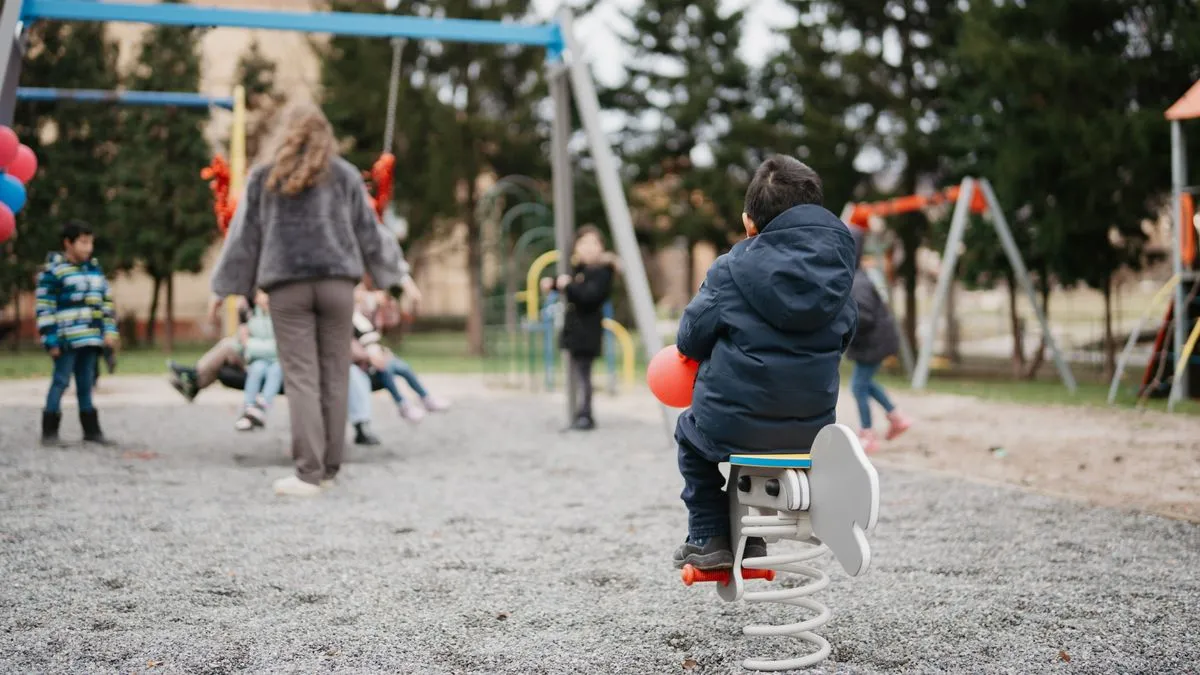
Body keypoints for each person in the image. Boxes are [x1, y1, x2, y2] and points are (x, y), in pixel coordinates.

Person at [208, 100, 405, 498]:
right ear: (325, 135)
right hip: (337, 286)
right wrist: (397, 277)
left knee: (300, 378)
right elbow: (371, 231)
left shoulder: (266, 177)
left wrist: (223, 288)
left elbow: (244, 238)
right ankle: (330, 468)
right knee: (335, 374)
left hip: (288, 288)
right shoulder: (345, 175)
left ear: (286, 133)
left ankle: (307, 473)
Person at [671, 156, 857, 571]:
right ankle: (751, 538)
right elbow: (845, 336)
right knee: (745, 438)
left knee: (691, 434)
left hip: (732, 424)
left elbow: (691, 336)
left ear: (749, 223)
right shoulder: (840, 275)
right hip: (812, 430)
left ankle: (707, 534)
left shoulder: (731, 269)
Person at [37, 220, 120, 447]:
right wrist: (50, 339)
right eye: (83, 243)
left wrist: (109, 332)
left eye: (90, 242)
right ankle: (50, 430)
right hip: (66, 340)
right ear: (68, 243)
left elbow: (106, 304)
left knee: (86, 383)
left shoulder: (95, 271)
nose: (88, 248)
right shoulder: (54, 272)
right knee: (61, 381)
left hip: (91, 338)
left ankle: (91, 430)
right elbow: (45, 307)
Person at [846, 227, 911, 453]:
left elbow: (863, 316)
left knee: (857, 386)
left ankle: (867, 434)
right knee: (866, 383)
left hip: (874, 342)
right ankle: (897, 418)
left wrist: (843, 328)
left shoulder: (857, 282)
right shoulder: (856, 277)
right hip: (876, 341)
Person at [547, 225, 617, 431]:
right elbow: (572, 287)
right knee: (578, 372)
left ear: (601, 248)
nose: (588, 248)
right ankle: (580, 411)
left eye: (594, 243)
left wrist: (566, 285)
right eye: (583, 243)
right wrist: (554, 284)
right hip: (574, 330)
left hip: (587, 331)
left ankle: (585, 414)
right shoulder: (580, 270)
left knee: (584, 374)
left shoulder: (602, 272)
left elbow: (588, 296)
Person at [353, 284, 449, 423]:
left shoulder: (370, 315)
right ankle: (403, 404)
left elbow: (386, 326)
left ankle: (425, 398)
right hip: (363, 365)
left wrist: (386, 307)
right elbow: (359, 342)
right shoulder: (353, 314)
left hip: (374, 355)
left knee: (403, 366)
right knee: (385, 368)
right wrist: (369, 357)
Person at [167, 297, 250, 402]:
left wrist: (248, 342)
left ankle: (194, 377)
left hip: (262, 357)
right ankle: (194, 378)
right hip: (253, 353)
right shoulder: (258, 312)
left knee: (227, 346)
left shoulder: (270, 312)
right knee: (227, 345)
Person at [234, 290, 285, 431]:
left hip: (278, 361)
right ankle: (248, 409)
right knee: (257, 369)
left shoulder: (280, 315)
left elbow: (281, 346)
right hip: (259, 359)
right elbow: (242, 342)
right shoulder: (251, 315)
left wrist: (253, 345)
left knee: (275, 371)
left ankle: (262, 408)